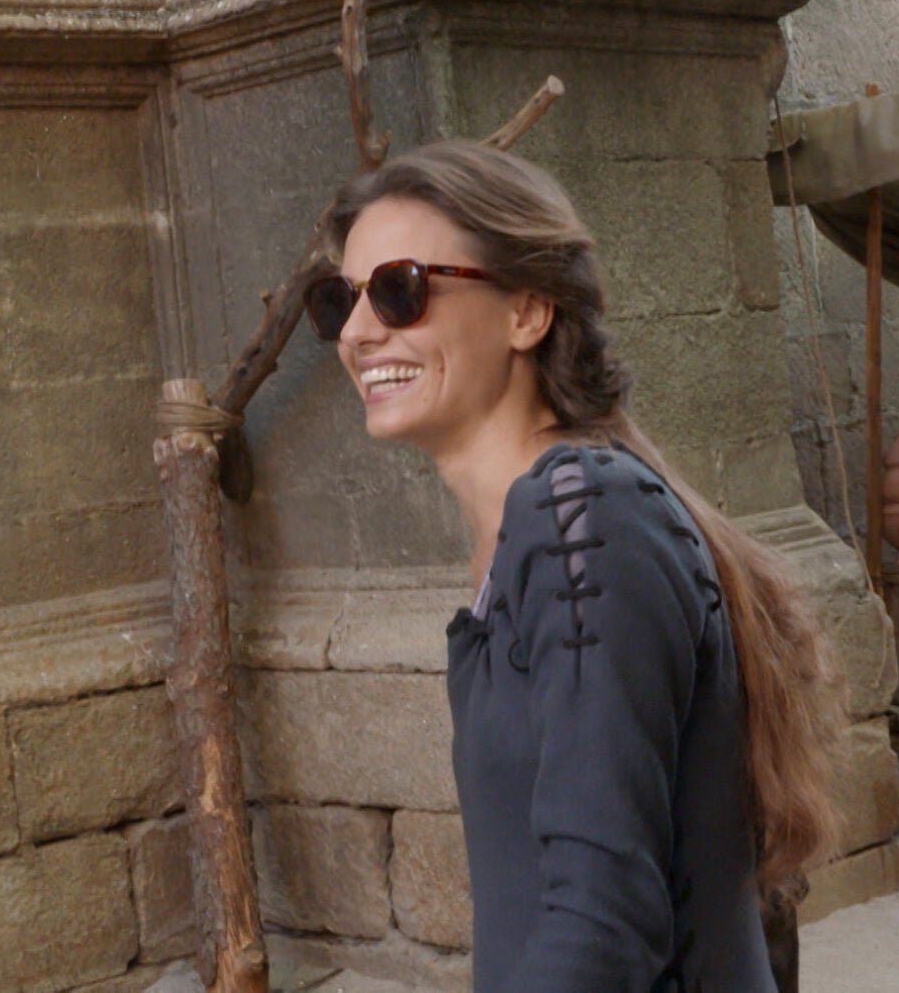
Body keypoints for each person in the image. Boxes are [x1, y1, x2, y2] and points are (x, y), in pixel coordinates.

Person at [306, 140, 838, 991]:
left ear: (527, 311)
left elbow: (603, 919)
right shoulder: (543, 529)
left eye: (402, 289)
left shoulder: (584, 517)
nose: (362, 332)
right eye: (340, 300)